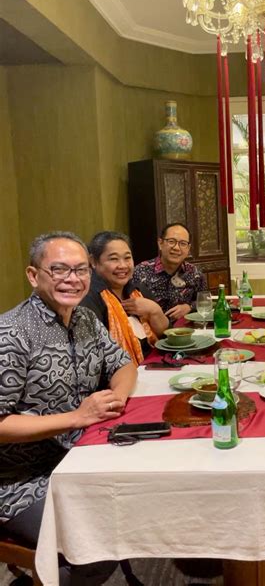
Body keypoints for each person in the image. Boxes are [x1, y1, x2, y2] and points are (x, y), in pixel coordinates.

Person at [0, 231, 137, 585]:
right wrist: (79, 417)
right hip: (20, 481)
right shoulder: (11, 334)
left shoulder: (85, 319)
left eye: (80, 270)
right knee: (97, 546)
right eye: (59, 269)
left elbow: (124, 364)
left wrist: (118, 397)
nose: (72, 279)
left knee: (137, 506)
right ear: (34, 276)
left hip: (81, 459)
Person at [81, 231, 169, 365]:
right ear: (93, 261)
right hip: (120, 374)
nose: (122, 265)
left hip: (153, 366)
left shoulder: (138, 290)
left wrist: (155, 311)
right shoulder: (89, 299)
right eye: (114, 259)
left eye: (127, 258)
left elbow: (168, 337)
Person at [133, 222, 207, 322]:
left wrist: (189, 307)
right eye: (171, 241)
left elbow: (205, 302)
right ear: (160, 243)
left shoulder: (195, 274)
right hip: (150, 329)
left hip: (185, 329)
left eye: (183, 244)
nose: (176, 248)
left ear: (188, 248)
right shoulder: (140, 271)